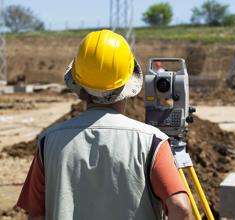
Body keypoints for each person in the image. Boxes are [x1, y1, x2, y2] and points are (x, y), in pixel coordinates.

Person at [16, 30, 193, 220]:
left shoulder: (48, 142)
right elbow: (180, 209)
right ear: (128, 83)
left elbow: (36, 214)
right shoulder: (152, 141)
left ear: (78, 84)